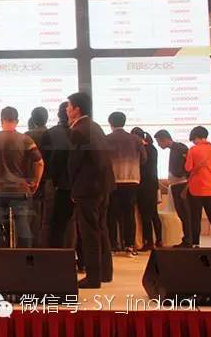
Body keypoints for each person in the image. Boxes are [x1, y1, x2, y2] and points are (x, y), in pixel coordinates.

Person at [66, 92, 114, 289]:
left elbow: (74, 163)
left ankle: (93, 277)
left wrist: (73, 188)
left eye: (69, 106)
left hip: (87, 188)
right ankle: (105, 272)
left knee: (89, 232)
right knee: (101, 228)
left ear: (77, 109)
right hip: (103, 185)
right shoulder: (95, 126)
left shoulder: (78, 130)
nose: (67, 109)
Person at [0, 107, 44, 249]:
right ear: (17, 121)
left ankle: (2, 258)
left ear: (1, 120)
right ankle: (24, 258)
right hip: (20, 190)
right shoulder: (25, 140)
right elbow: (40, 163)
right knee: (23, 227)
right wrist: (36, 182)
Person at [106, 112, 146, 256]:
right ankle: (129, 246)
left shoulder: (106, 139)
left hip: (113, 180)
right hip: (131, 180)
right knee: (129, 214)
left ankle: (112, 246)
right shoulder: (136, 139)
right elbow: (144, 158)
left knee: (111, 214)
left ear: (110, 123)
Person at [43, 102, 74, 249]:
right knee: (77, 224)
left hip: (56, 184)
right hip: (78, 184)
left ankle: (56, 255)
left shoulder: (50, 133)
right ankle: (77, 256)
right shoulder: (81, 132)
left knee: (54, 222)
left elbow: (46, 161)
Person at [154, 129, 192, 248]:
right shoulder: (174, 148)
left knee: (184, 214)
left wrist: (181, 174)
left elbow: (188, 165)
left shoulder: (180, 148)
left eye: (159, 142)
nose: (159, 145)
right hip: (176, 184)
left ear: (164, 139)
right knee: (181, 214)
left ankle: (188, 240)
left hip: (181, 184)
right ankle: (187, 239)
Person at [185, 126, 211, 247]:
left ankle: (195, 244)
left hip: (196, 190)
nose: (193, 142)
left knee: (195, 218)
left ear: (196, 137)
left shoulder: (193, 150)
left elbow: (188, 168)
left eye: (193, 140)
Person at [131, 128, 162, 251]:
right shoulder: (152, 148)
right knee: (154, 214)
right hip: (153, 185)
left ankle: (148, 242)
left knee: (145, 216)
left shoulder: (142, 149)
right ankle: (159, 240)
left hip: (143, 186)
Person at [25, 106, 50, 247]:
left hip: (32, 179)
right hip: (50, 179)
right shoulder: (52, 134)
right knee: (48, 215)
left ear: (33, 119)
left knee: (33, 215)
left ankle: (33, 245)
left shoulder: (27, 135)